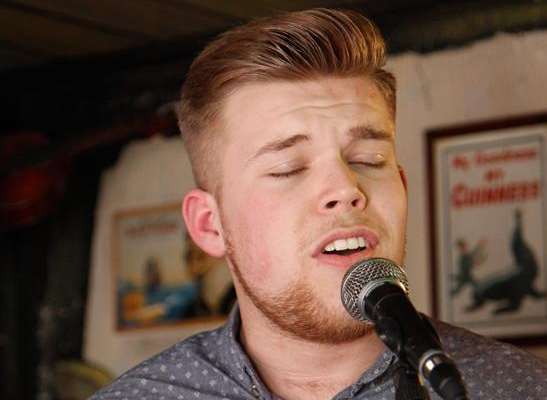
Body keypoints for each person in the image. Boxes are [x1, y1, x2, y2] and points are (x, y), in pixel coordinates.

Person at [91, 8, 547, 400]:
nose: (346, 188)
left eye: (369, 159)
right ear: (210, 225)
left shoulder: (518, 388)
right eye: (288, 168)